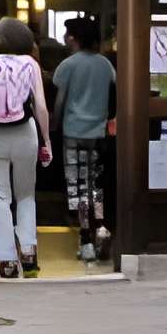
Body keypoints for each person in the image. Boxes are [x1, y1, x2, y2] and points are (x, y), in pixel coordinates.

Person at [0, 15, 52, 277]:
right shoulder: (31, 64)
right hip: (25, 133)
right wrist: (46, 139)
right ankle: (28, 252)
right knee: (26, 194)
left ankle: (6, 260)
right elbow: (40, 106)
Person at [52, 17, 117, 260]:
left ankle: (86, 238)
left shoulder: (67, 65)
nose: (65, 37)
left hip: (73, 133)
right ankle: (101, 226)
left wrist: (55, 126)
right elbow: (115, 92)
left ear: (74, 37)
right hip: (98, 133)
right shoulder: (105, 65)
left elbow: (60, 101)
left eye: (68, 33)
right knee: (96, 184)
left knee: (78, 186)